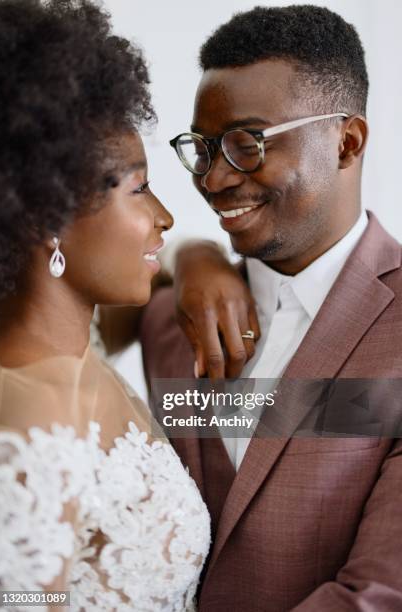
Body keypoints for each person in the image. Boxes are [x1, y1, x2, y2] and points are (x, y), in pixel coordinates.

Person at [138, 5, 402, 611]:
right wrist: (192, 256)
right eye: (204, 149)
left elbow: (378, 597)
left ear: (346, 142)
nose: (214, 180)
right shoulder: (166, 320)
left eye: (247, 144)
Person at [0, 1, 210, 610]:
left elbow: (168, 267)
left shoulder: (81, 345)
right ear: (45, 212)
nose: (164, 217)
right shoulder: (27, 419)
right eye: (139, 189)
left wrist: (198, 257)